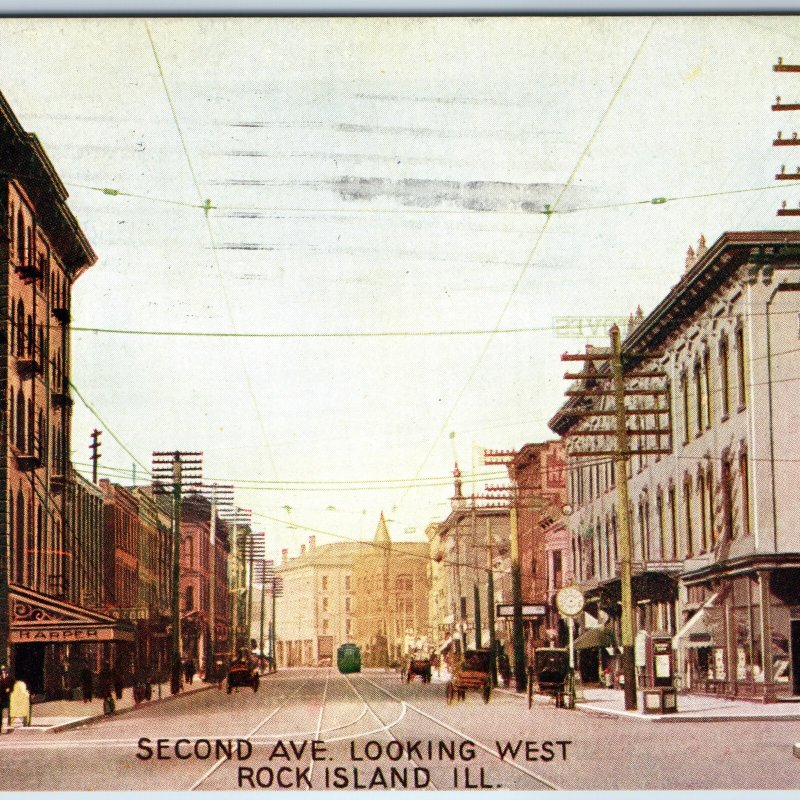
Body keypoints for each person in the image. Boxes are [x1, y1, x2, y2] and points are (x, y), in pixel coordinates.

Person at [0, 665, 13, 734]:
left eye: (4, 670)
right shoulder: (0, 678)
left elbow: (12, 687)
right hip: (1, 698)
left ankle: (9, 722)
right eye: (2, 670)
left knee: (8, 710)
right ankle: (1, 726)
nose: (3, 671)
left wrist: (9, 690)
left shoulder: (10, 678)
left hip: (7, 697)